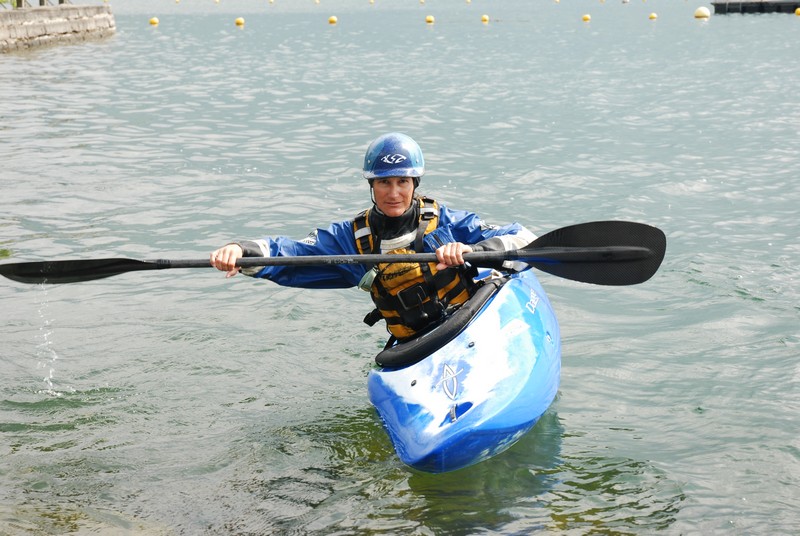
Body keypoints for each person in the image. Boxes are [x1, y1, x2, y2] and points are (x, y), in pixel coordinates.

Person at [210, 132, 535, 341]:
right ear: (371, 186)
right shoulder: (351, 239)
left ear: (414, 185)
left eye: (402, 182)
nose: (393, 193)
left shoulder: (445, 221)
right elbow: (291, 255)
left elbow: (520, 238)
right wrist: (241, 250)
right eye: (384, 183)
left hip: (474, 324)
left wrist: (472, 250)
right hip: (417, 346)